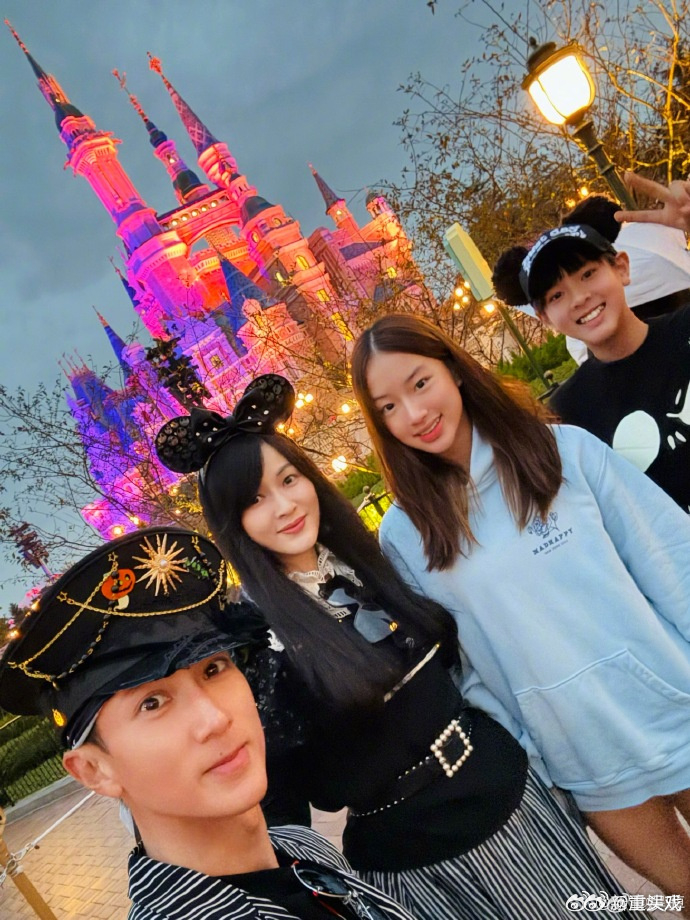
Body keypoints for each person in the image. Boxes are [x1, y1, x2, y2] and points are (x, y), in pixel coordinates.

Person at [154, 374, 642, 920]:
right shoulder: (257, 646)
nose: (285, 506)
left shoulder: (373, 565)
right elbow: (278, 803)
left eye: (289, 479)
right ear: (234, 523)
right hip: (421, 864)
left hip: (513, 799)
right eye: (255, 500)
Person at [350, 313, 690, 908]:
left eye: (420, 383)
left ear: (454, 370)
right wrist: (527, 748)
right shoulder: (405, 533)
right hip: (584, 759)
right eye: (389, 407)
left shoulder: (562, 452)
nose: (415, 413)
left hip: (674, 707)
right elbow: (458, 668)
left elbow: (670, 558)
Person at [0, 526, 417, 920]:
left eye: (214, 669)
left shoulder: (303, 848)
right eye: (151, 703)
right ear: (94, 770)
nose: (215, 719)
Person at [492, 212, 690, 511]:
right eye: (556, 295)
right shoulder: (568, 415)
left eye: (587, 274)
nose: (579, 298)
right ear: (545, 318)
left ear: (621, 268)